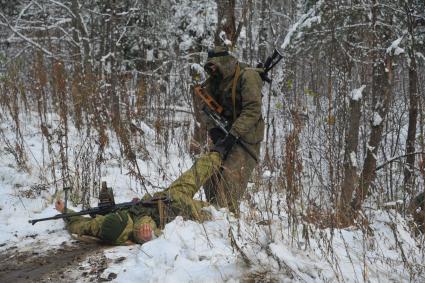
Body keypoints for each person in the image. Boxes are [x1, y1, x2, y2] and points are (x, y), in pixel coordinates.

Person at [55, 152, 222, 245]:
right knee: (216, 212)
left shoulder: (101, 225)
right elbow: (150, 235)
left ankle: (220, 151)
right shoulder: (140, 226)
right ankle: (222, 152)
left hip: (162, 197)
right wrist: (148, 238)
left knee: (200, 169)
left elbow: (78, 224)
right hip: (176, 206)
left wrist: (64, 210)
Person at [202, 46, 264, 214]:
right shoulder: (214, 81)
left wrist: (233, 133)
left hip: (246, 138)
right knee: (209, 177)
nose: (212, 70)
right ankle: (212, 221)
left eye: (215, 65)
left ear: (224, 63)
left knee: (229, 185)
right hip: (224, 135)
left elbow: (252, 110)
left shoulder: (247, 76)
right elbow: (206, 107)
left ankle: (229, 224)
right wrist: (213, 130)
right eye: (209, 67)